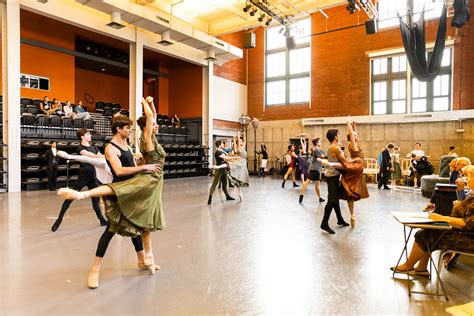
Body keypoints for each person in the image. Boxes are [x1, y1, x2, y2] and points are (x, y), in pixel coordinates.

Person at [58, 100, 163, 288]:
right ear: (119, 129)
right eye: (128, 128)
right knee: (110, 231)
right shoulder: (110, 148)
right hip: (119, 190)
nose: (131, 130)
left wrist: (140, 164)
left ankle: (141, 260)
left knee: (137, 225)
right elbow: (120, 171)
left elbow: (132, 165)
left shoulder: (127, 145)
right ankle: (95, 270)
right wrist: (145, 166)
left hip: (132, 188)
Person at [390, 170, 474, 276]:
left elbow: (468, 224)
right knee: (429, 231)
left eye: (469, 176)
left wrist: (443, 218)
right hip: (462, 232)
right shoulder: (471, 194)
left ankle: (409, 265)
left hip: (468, 238)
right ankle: (421, 268)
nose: (465, 178)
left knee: (424, 236)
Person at [51, 128, 108, 232]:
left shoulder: (94, 147)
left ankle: (102, 220)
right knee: (71, 197)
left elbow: (100, 156)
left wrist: (111, 156)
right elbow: (92, 157)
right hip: (84, 176)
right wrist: (102, 157)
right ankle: (58, 220)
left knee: (95, 199)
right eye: (88, 134)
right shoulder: (80, 148)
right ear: (82, 136)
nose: (90, 136)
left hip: (94, 175)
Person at [320, 129, 349, 234]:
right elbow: (345, 161)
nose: (339, 135)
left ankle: (340, 219)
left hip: (332, 175)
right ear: (335, 137)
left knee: (334, 198)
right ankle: (324, 223)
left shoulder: (331, 147)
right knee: (332, 200)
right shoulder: (335, 148)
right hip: (332, 176)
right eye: (338, 134)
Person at [207, 140, 238, 205]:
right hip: (219, 170)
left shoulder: (222, 151)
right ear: (219, 145)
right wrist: (235, 158)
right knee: (214, 183)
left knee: (225, 184)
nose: (223, 144)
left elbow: (227, 157)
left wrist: (233, 157)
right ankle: (210, 198)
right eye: (222, 143)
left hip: (224, 169)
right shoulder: (217, 152)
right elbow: (225, 157)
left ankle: (227, 196)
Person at [300, 138, 325, 204]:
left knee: (317, 186)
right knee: (307, 182)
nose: (321, 142)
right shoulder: (316, 150)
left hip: (317, 170)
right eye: (320, 141)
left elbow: (324, 155)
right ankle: (301, 195)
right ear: (317, 143)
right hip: (314, 169)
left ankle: (319, 198)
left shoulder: (319, 150)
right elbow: (324, 156)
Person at [227, 134, 250, 202]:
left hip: (243, 162)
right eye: (240, 140)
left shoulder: (242, 145)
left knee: (240, 177)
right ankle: (239, 191)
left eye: (241, 140)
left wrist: (243, 134)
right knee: (238, 177)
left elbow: (245, 140)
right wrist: (236, 138)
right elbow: (235, 150)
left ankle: (240, 192)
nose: (241, 141)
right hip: (240, 162)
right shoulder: (237, 147)